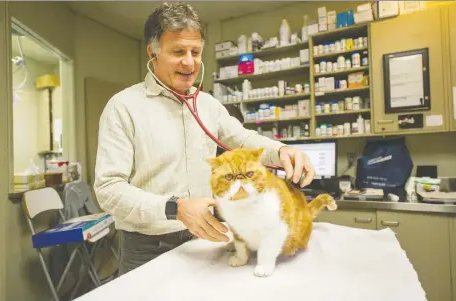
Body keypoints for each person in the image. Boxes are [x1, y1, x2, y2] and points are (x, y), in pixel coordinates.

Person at [93, 1, 315, 276]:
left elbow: (242, 139)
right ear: (153, 53)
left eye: (195, 52)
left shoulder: (208, 105)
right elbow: (108, 189)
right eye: (178, 51)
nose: (189, 61)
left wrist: (281, 151)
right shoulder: (124, 107)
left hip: (205, 239)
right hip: (147, 247)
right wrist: (175, 209)